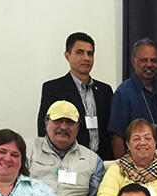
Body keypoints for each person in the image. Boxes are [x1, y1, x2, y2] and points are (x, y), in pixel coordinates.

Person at [37, 32, 114, 160]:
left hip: (101, 161)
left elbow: (109, 131)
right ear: (67, 56)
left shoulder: (105, 90)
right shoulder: (53, 88)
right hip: (68, 160)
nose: (86, 58)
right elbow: (44, 129)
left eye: (90, 53)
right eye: (80, 52)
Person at [108, 38, 157, 158]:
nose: (149, 64)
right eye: (144, 60)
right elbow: (117, 137)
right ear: (133, 62)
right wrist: (123, 168)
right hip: (133, 164)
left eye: (154, 60)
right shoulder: (123, 93)